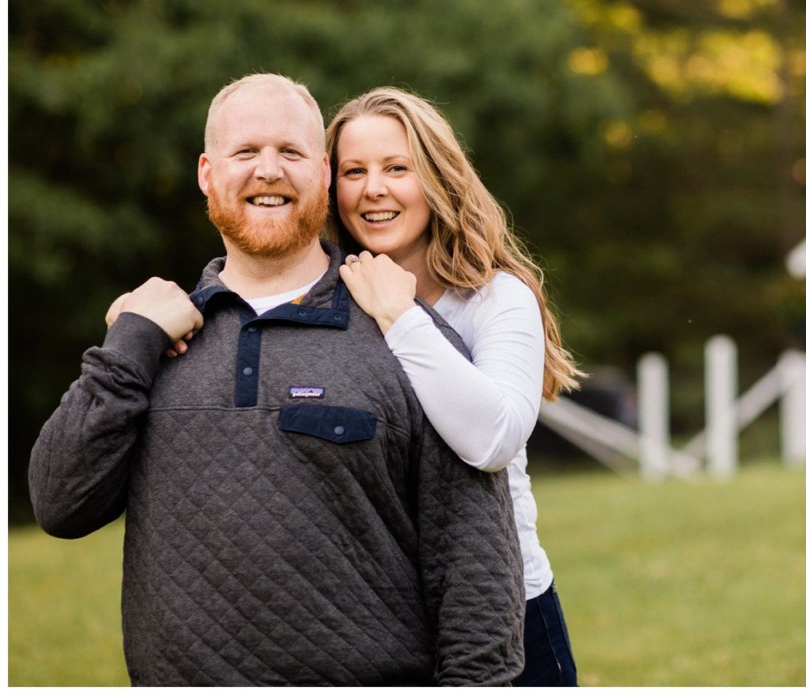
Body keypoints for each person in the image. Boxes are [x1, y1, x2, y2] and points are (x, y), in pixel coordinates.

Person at [27, 73, 525, 686]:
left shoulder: (406, 337)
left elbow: (477, 577)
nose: (268, 171)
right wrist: (130, 341)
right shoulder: (153, 338)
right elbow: (59, 504)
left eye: (290, 152)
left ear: (321, 173)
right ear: (208, 174)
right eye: (246, 152)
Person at [327, 87, 580, 686]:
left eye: (397, 168)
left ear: (435, 178)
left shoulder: (497, 301)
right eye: (353, 171)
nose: (374, 189)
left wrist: (401, 317)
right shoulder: (322, 305)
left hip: (507, 613)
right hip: (376, 625)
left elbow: (491, 440)